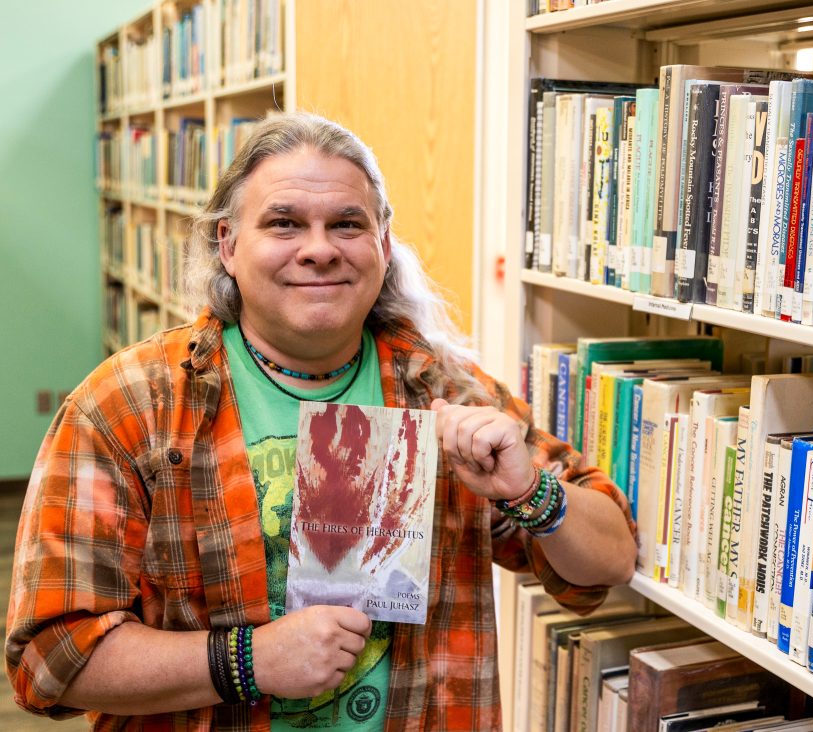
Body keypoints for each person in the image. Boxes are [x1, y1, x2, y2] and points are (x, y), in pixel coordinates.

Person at [5, 112, 637, 730]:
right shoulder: (128, 406)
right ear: (227, 244)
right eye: (284, 223)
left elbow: (610, 559)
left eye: (346, 224)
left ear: (382, 246)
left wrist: (532, 494)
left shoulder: (445, 391)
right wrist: (246, 661)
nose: (319, 249)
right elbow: (51, 659)